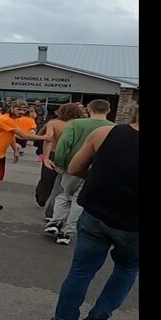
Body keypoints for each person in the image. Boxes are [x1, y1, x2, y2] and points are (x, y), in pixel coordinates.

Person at [49, 104, 138, 320]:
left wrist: (101, 178)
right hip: (134, 227)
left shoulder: (105, 133)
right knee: (127, 269)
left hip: (96, 214)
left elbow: (74, 167)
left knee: (81, 270)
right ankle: (100, 315)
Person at [43, 99, 114, 244]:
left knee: (64, 195)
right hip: (96, 169)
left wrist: (60, 163)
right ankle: (67, 232)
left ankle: (55, 222)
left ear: (88, 109)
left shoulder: (77, 124)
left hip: (73, 165)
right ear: (109, 111)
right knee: (78, 201)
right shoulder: (113, 128)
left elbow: (64, 144)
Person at [0, 99, 47, 216]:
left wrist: (15, 149)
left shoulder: (13, 120)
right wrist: (46, 137)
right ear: (12, 108)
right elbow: (24, 135)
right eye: (18, 109)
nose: (21, 112)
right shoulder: (5, 119)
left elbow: (11, 135)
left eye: (24, 110)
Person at [36, 103, 86, 214]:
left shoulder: (53, 123)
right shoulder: (81, 124)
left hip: (53, 153)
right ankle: (51, 210)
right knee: (61, 184)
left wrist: (46, 156)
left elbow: (48, 139)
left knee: (47, 179)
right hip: (71, 155)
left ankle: (41, 198)